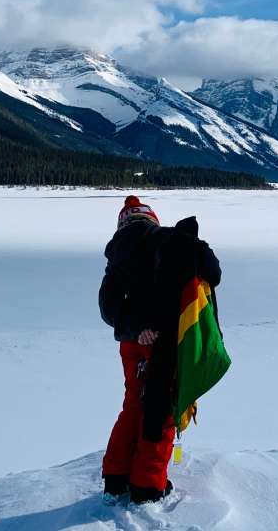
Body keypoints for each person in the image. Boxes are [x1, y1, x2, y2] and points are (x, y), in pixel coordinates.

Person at [98, 195, 222, 505]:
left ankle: (115, 479)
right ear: (151, 219)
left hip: (131, 344)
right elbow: (213, 271)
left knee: (132, 406)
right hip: (163, 343)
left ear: (122, 224)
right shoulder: (167, 238)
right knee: (160, 410)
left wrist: (136, 330)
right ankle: (147, 486)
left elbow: (108, 307)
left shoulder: (115, 260)